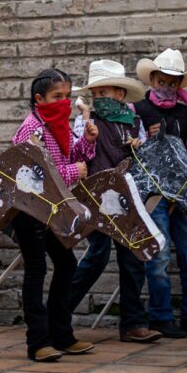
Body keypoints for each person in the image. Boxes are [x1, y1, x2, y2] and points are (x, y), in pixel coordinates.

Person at [68, 60, 161, 343]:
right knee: (97, 255)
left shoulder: (134, 123)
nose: (99, 99)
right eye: (95, 95)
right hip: (96, 194)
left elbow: (143, 159)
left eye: (104, 93)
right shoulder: (86, 120)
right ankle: (57, 314)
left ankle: (133, 324)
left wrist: (141, 146)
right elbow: (76, 152)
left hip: (126, 196)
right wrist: (85, 127)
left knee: (133, 258)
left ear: (120, 94)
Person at [11, 68, 99, 362]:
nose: (63, 102)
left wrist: (86, 140)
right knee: (37, 270)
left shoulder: (56, 124)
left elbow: (72, 155)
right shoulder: (32, 129)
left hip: (51, 208)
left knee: (66, 264)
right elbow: (35, 176)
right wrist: (75, 171)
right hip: (29, 209)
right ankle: (37, 342)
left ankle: (61, 334)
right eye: (56, 97)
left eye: (66, 96)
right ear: (39, 99)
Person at [134, 48, 187, 338]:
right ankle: (160, 316)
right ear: (153, 79)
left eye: (173, 83)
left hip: (184, 192)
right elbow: (135, 152)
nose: (167, 87)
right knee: (158, 256)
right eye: (162, 81)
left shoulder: (185, 113)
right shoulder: (139, 110)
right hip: (155, 193)